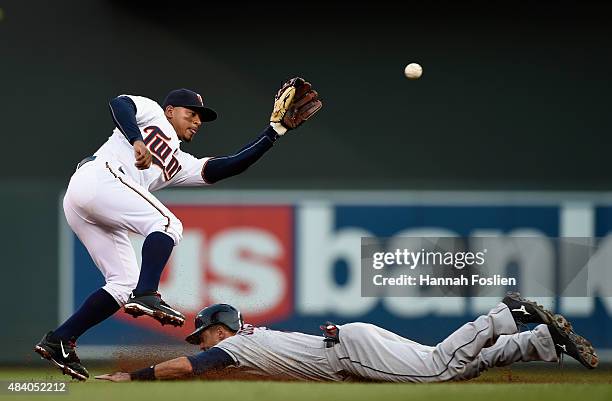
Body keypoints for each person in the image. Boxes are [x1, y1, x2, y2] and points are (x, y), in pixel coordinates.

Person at [34, 78, 323, 381]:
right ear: (170, 110)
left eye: (201, 118)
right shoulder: (153, 113)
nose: (197, 121)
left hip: (87, 203)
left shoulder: (179, 162)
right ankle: (146, 293)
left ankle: (60, 340)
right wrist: (136, 140)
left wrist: (273, 133)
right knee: (168, 224)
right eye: (191, 113)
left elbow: (229, 166)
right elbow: (119, 103)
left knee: (122, 284)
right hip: (98, 178)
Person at [96, 293, 599, 383]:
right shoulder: (247, 340)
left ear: (220, 328)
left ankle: (501, 315)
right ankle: (541, 343)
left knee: (440, 369)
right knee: (453, 366)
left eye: (203, 334)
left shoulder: (236, 345)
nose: (200, 342)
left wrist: (132, 376)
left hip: (351, 351)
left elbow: (190, 369)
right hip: (350, 344)